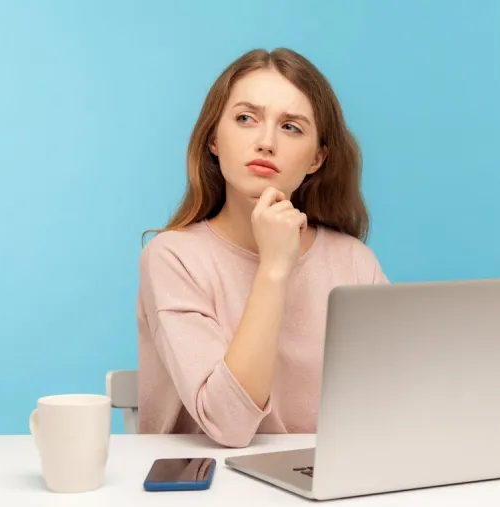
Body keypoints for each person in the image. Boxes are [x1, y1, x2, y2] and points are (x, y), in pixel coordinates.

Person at [136, 48, 388, 448]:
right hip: (207, 493)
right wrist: (274, 267)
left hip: (324, 485)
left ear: (317, 158)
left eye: (291, 127)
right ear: (214, 139)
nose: (266, 142)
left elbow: (391, 406)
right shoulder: (172, 258)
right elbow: (228, 426)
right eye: (246, 119)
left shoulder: (354, 263)